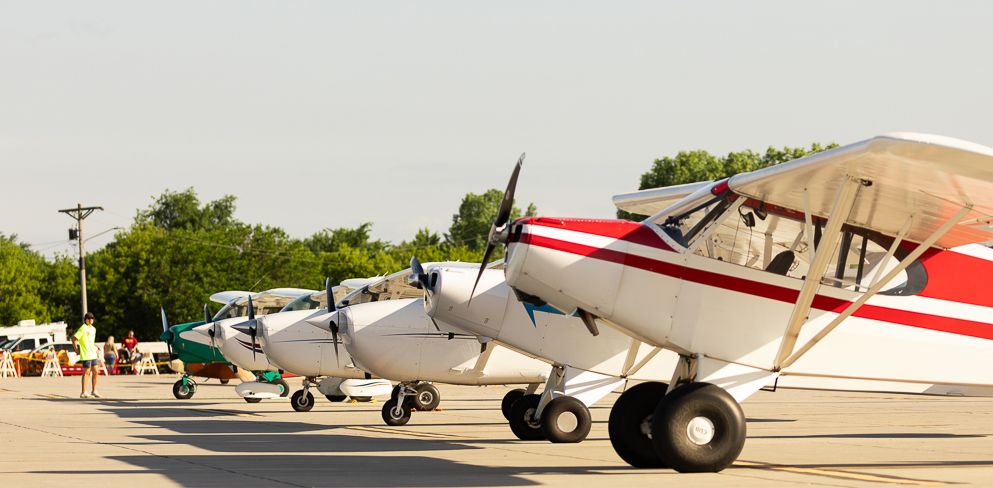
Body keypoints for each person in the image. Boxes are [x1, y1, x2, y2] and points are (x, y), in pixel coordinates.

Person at [72, 312, 100, 398]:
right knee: (87, 372)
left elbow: (90, 341)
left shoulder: (93, 329)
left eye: (92, 318)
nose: (91, 320)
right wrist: (76, 349)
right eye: (89, 318)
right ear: (85, 319)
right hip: (86, 353)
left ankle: (94, 390)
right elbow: (74, 338)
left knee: (96, 371)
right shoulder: (83, 328)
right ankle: (84, 392)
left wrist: (96, 347)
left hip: (93, 353)